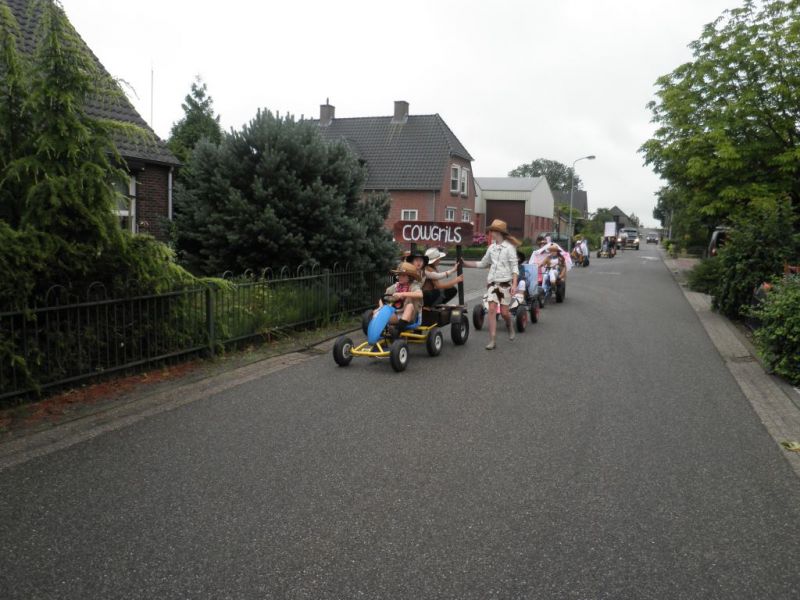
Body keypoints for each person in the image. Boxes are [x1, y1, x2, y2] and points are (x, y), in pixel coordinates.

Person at [462, 219, 519, 350]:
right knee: (492, 309)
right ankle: (492, 340)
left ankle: (509, 325)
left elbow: (515, 268)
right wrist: (466, 264)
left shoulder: (510, 248)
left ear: (498, 232)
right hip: (493, 283)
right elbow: (483, 263)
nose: (490, 233)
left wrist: (514, 284)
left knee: (504, 313)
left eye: (492, 230)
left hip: (505, 284)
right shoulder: (491, 248)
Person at [377, 261, 423, 340]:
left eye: (403, 275)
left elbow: (420, 294)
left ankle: (396, 331)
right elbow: (382, 298)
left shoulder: (413, 285)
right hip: (397, 315)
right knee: (377, 312)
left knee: (410, 306)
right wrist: (381, 307)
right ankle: (378, 336)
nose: (399, 277)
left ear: (410, 277)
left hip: (411, 317)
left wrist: (403, 294)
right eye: (399, 275)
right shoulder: (395, 287)